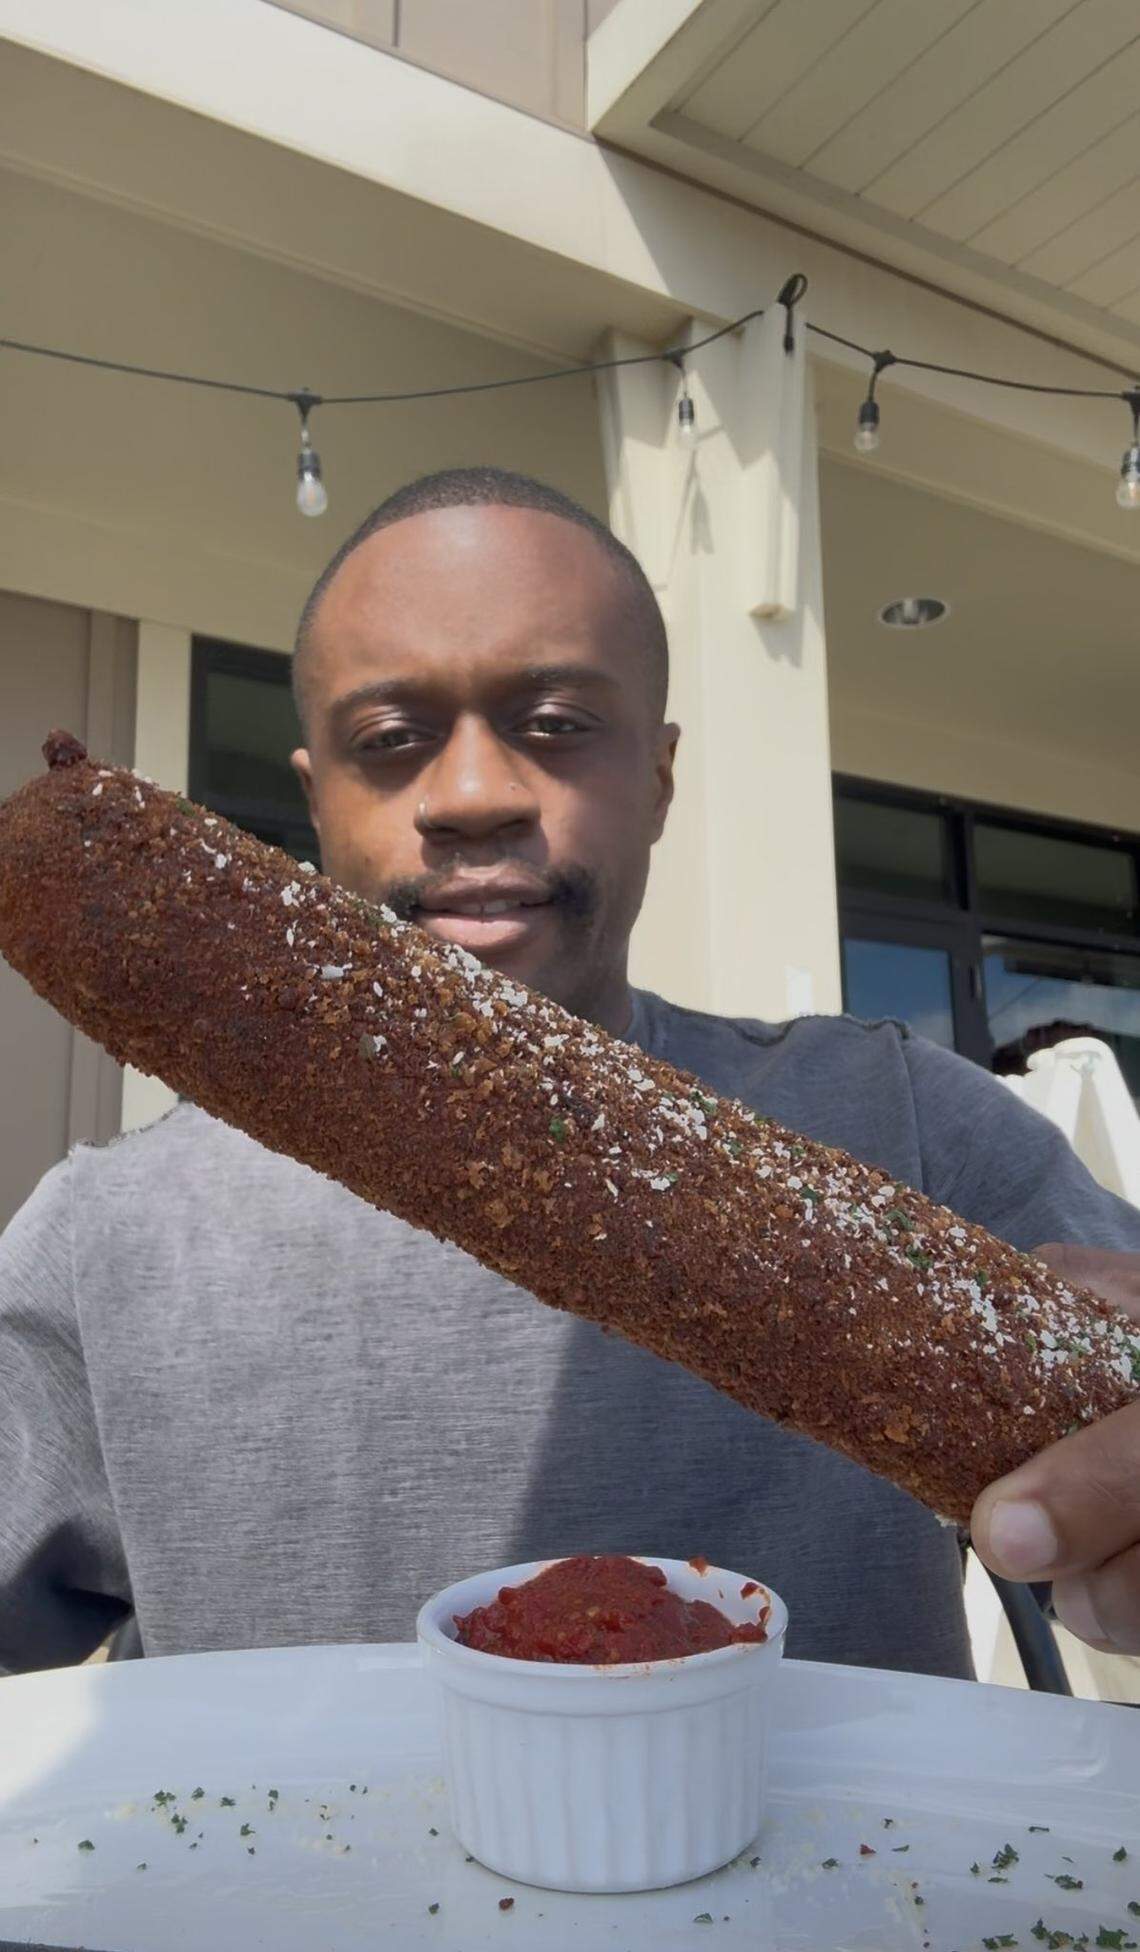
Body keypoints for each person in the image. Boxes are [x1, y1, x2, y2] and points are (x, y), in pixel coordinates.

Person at [1, 468, 1138, 1681]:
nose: (476, 795)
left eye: (555, 724)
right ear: (314, 799)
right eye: (388, 742)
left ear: (659, 773)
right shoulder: (105, 1235)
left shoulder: (906, 1124)